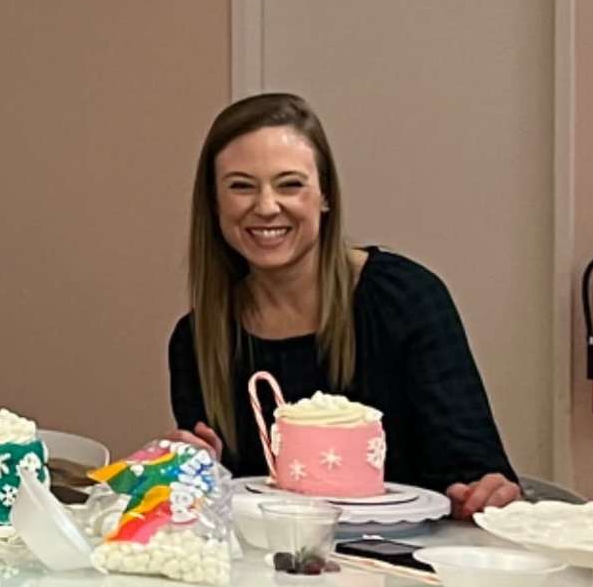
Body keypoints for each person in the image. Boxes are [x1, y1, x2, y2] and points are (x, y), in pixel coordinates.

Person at [165, 92, 525, 518]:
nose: (265, 206)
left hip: (405, 569)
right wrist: (193, 474)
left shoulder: (404, 300)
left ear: (325, 196)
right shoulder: (199, 341)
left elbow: (475, 471)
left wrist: (485, 493)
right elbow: (220, 516)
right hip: (268, 577)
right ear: (214, 203)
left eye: (291, 184)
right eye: (241, 186)